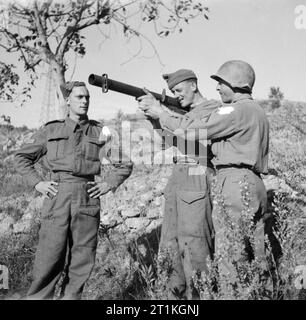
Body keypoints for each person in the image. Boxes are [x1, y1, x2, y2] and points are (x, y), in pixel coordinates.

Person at [15, 81, 133, 300]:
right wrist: (37, 183)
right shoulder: (52, 130)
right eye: (79, 97)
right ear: (67, 100)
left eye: (87, 97)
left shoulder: (99, 132)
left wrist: (107, 184)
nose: (85, 101)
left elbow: (124, 164)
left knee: (82, 258)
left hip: (87, 196)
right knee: (49, 257)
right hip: (57, 195)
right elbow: (22, 158)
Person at [173, 60, 269, 286]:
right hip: (255, 182)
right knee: (257, 254)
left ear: (237, 84)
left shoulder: (234, 110)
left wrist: (162, 114)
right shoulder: (257, 111)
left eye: (221, 82)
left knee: (229, 256)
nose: (217, 88)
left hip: (234, 182)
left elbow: (190, 132)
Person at [137, 69, 220, 299]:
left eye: (179, 90)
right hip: (179, 174)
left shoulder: (213, 108)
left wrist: (161, 112)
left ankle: (200, 295)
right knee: (171, 241)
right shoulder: (182, 114)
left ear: (194, 85)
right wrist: (155, 120)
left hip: (197, 171)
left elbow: (193, 131)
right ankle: (175, 296)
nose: (177, 95)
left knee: (195, 242)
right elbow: (171, 140)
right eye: (173, 92)